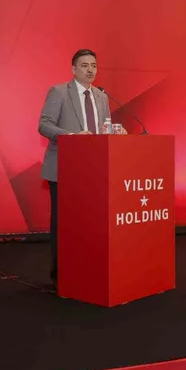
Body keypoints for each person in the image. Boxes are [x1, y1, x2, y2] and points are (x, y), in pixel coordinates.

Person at [38, 49, 126, 290]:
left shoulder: (101, 96)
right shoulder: (59, 92)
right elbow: (44, 125)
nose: (90, 70)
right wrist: (72, 137)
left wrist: (117, 133)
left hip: (94, 171)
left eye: (94, 65)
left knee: (91, 225)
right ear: (74, 69)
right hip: (64, 169)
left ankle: (88, 272)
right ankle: (61, 277)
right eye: (85, 65)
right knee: (64, 225)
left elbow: (104, 129)